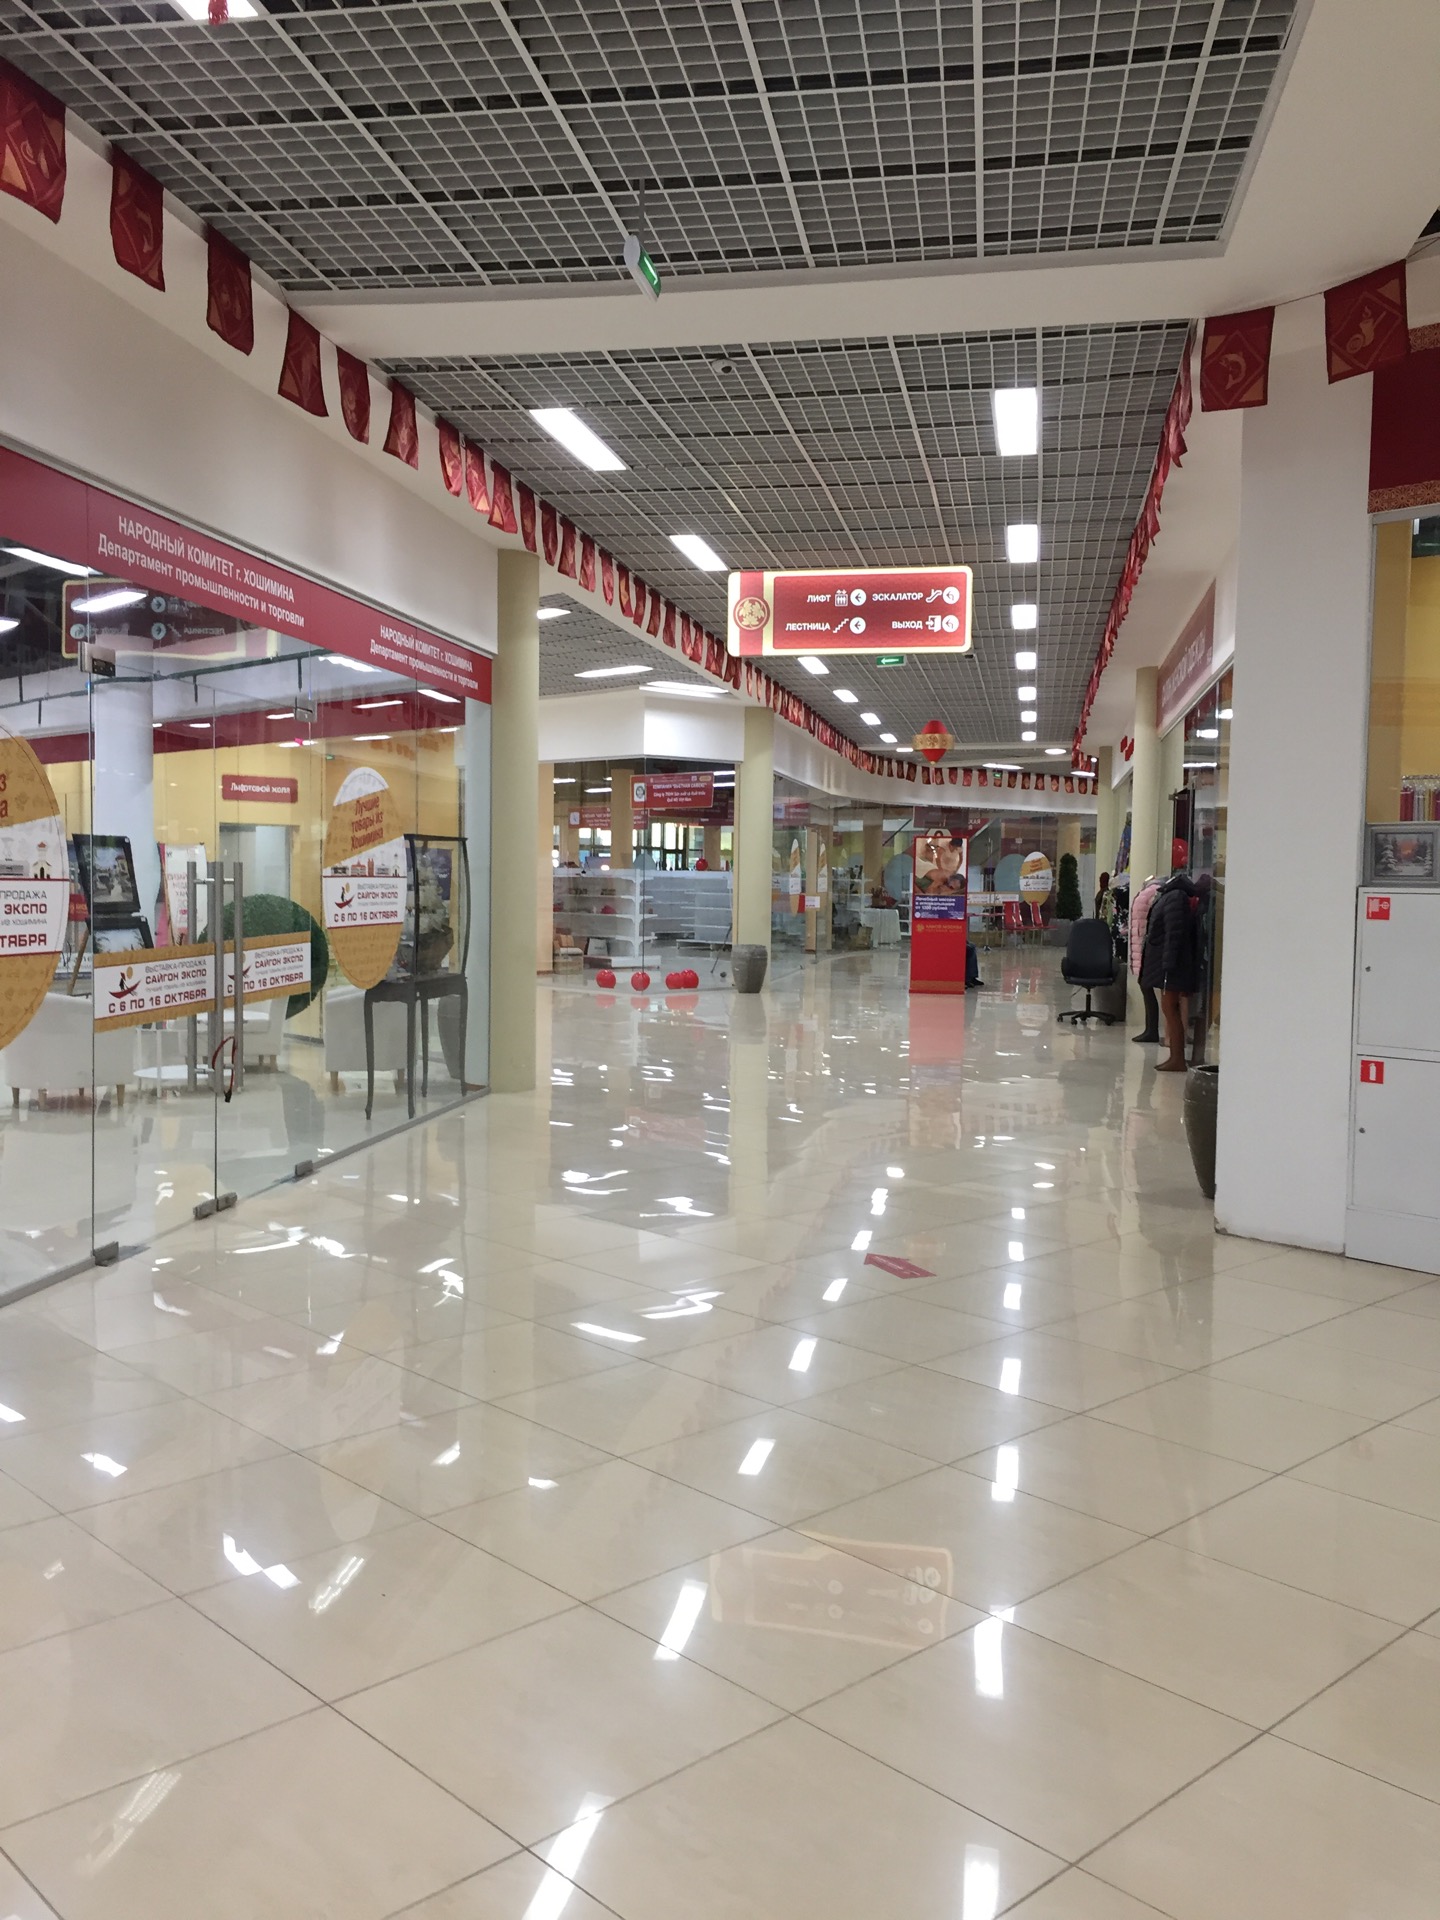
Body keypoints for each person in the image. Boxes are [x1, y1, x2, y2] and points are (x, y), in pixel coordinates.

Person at [1140, 870, 1201, 1071]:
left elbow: (1174, 935)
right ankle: (1175, 1056)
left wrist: (1168, 965)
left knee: (1170, 1008)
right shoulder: (1172, 896)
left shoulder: (1175, 897)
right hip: (1167, 963)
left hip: (1171, 966)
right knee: (1169, 1009)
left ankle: (1177, 1058)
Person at [1128, 873, 1162, 1043]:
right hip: (1142, 946)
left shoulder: (1153, 892)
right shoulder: (1148, 891)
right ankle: (1150, 1028)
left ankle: (1152, 1029)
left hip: (1147, 947)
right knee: (1145, 987)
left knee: (1147, 987)